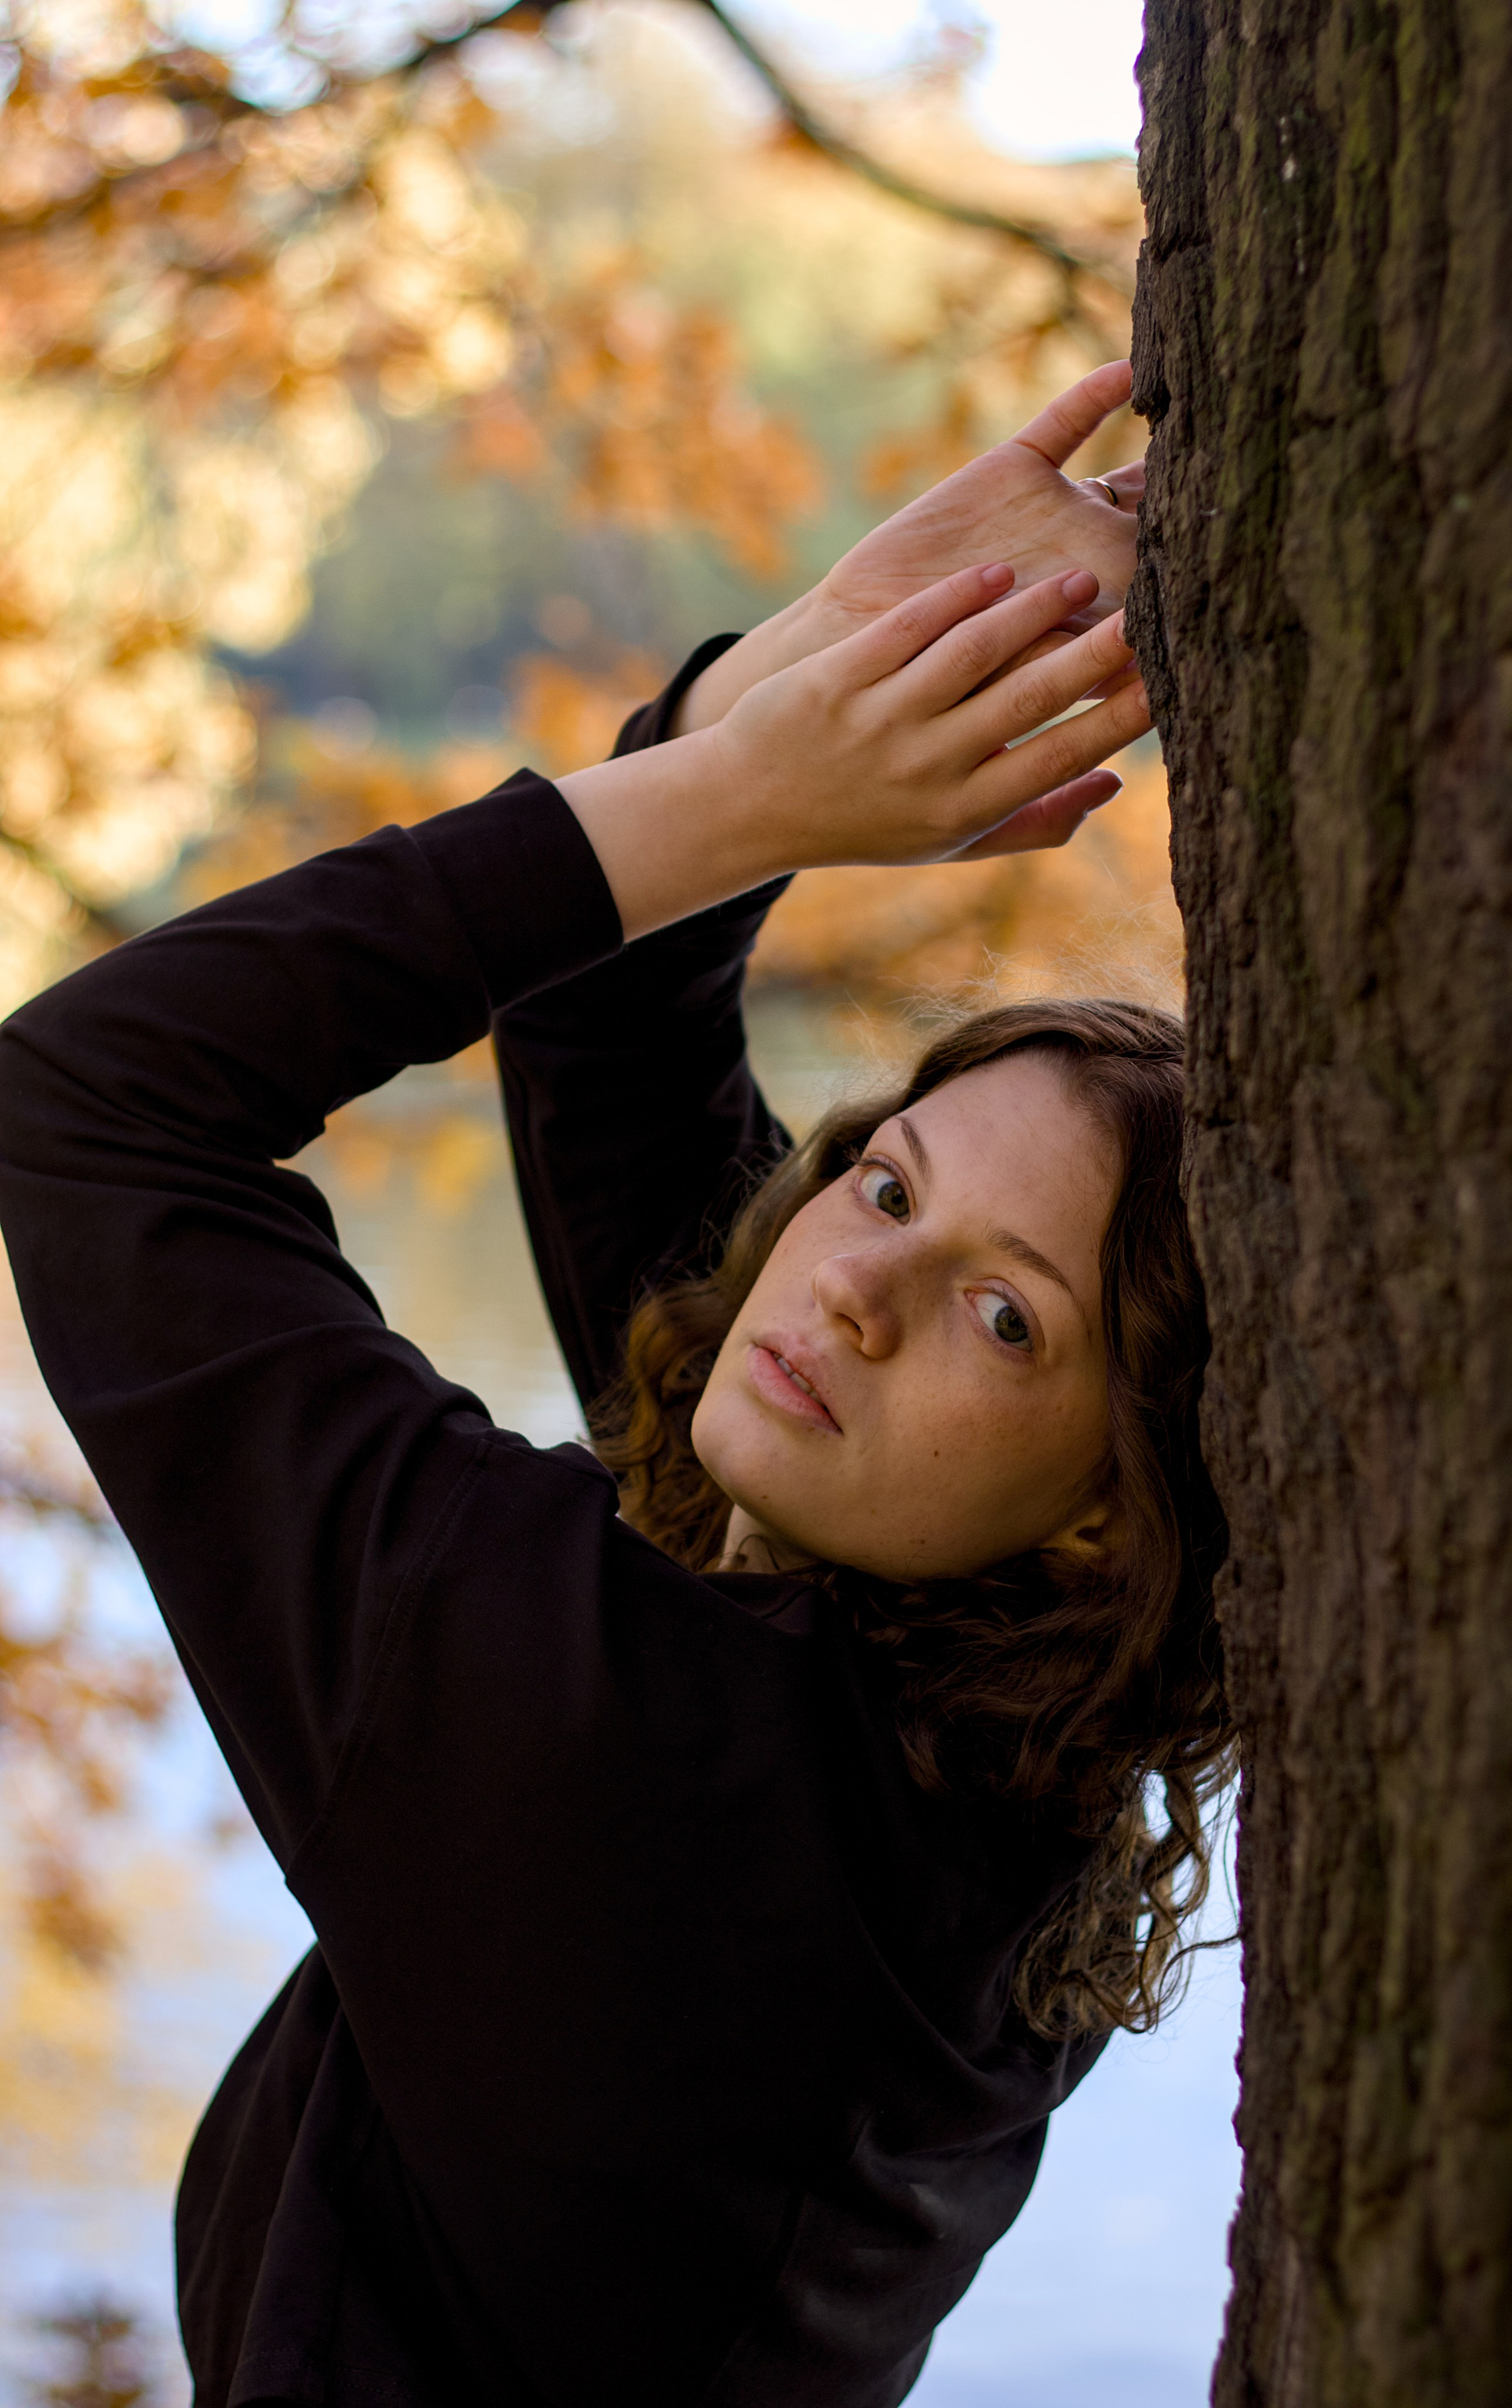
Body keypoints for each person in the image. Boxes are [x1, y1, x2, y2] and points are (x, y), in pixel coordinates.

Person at [0, 361, 1231, 2408]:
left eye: (1005, 1316)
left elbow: (97, 1107)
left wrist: (744, 794)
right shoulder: (964, 1742)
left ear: (1114, 1498)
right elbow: (615, 1056)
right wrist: (799, 687)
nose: (850, 1292)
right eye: (883, 1182)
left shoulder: (634, 1766)